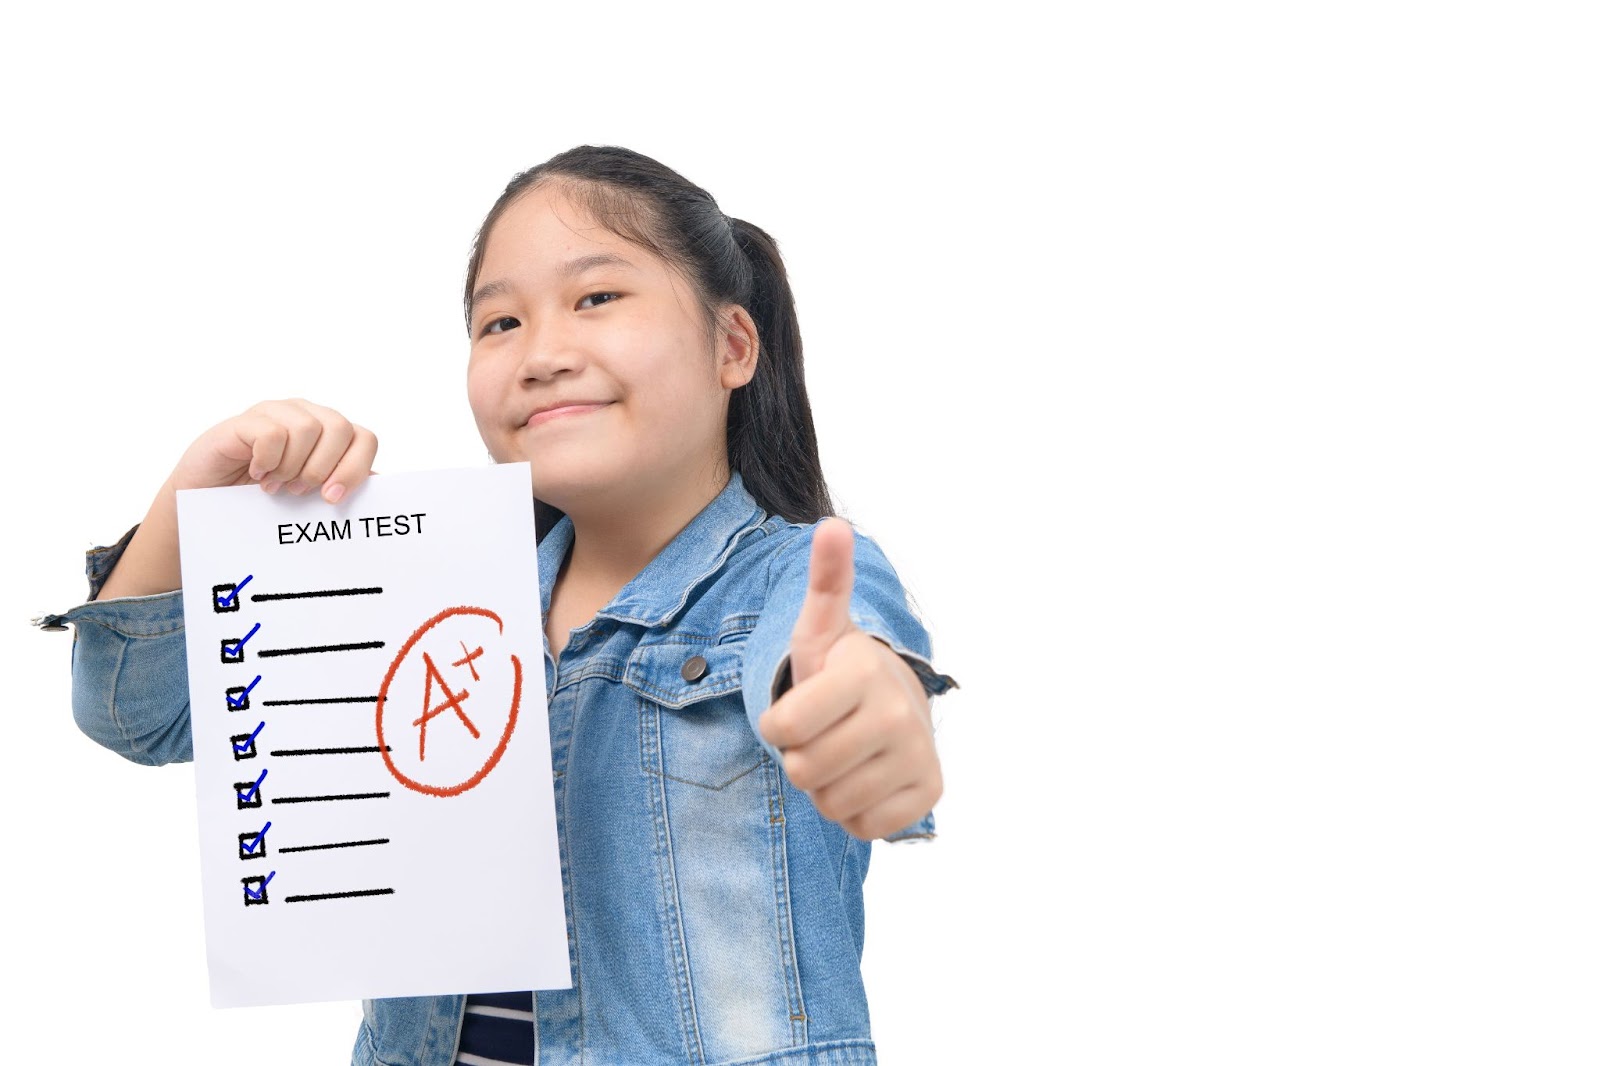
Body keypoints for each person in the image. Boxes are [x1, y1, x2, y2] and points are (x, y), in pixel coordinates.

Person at [43, 145, 957, 1066]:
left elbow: (836, 664)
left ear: (733, 346)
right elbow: (138, 714)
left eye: (597, 297)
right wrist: (197, 491)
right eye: (500, 322)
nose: (543, 354)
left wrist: (860, 712)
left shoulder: (791, 579)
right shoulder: (412, 594)